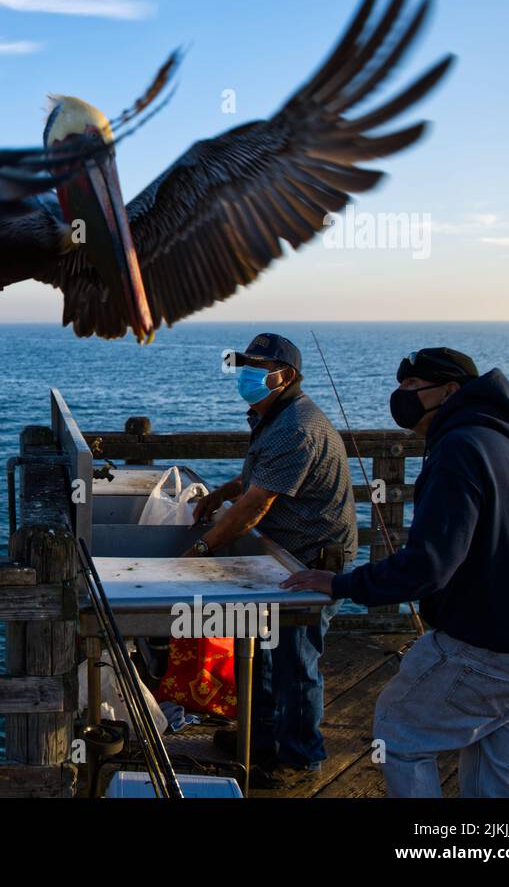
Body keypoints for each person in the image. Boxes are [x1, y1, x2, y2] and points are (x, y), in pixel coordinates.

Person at [283, 347, 509, 797]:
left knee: (399, 734)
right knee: (501, 763)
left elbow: (429, 565)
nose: (400, 396)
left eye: (411, 388)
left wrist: (342, 583)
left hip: (495, 648)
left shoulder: (459, 448)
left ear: (450, 391)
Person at [187, 333, 358, 787]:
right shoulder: (274, 416)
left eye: (259, 366)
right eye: (246, 362)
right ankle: (259, 738)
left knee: (295, 665)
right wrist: (224, 491)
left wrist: (202, 549)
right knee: (261, 652)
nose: (248, 372)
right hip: (283, 557)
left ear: (286, 377)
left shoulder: (297, 427)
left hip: (313, 562)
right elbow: (257, 480)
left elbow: (257, 505)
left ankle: (301, 758)